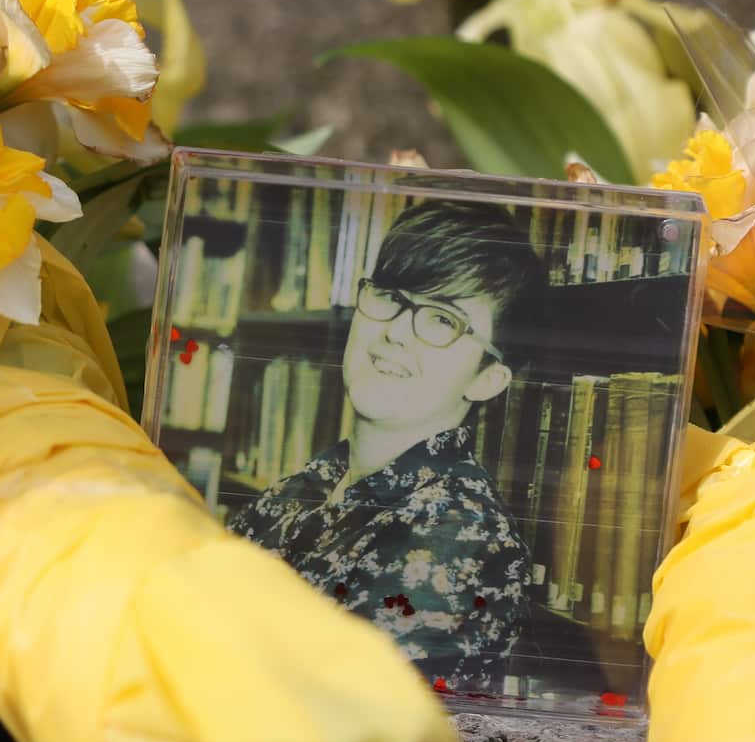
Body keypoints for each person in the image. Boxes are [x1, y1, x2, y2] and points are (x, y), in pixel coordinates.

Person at [226, 199, 546, 693]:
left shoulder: (463, 538)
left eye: (443, 320)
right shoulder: (310, 485)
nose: (395, 331)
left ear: (487, 379)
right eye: (391, 296)